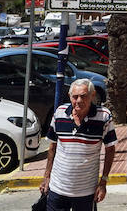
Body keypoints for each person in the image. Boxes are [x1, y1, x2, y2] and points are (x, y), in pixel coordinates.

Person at [40, 79, 116, 210]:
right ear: (70, 97)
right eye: (75, 97)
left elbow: (110, 150)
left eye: (83, 96)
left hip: (86, 193)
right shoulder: (59, 113)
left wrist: (103, 182)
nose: (79, 100)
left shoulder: (104, 116)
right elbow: (52, 147)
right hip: (57, 188)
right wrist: (46, 176)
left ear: (92, 95)